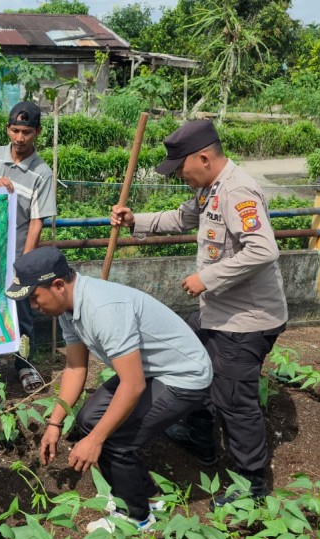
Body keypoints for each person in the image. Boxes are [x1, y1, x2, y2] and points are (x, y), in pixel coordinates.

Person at [110, 119, 288, 506]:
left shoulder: (238, 191)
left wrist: (207, 278)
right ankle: (201, 437)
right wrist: (134, 221)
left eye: (180, 169)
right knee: (190, 359)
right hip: (219, 313)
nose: (178, 176)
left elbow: (263, 250)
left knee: (234, 399)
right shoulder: (210, 189)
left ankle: (250, 484)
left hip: (247, 320)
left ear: (204, 158)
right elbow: (181, 218)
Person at [12, 247, 212, 531]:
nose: (33, 306)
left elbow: (132, 385)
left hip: (184, 376)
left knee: (112, 440)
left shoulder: (103, 310)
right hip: (151, 371)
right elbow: (75, 368)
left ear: (58, 285)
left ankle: (137, 517)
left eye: (34, 297)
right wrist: (54, 423)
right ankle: (149, 495)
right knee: (87, 420)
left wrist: (96, 440)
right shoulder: (68, 308)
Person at [0, 101, 57, 393]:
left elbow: (36, 222)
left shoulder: (42, 172)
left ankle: (23, 363)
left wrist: (26, 265)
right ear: (7, 129)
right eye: (15, 130)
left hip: (16, 254)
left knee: (20, 311)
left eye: (26, 132)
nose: (19, 138)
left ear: (37, 133)